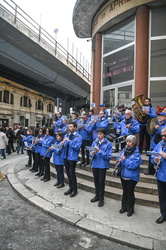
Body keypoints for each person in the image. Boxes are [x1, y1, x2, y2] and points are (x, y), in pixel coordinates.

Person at [116, 135, 142, 217]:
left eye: (130, 142)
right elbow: (119, 158)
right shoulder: (124, 150)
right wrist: (118, 161)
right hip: (123, 175)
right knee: (125, 192)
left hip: (132, 177)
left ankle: (130, 209)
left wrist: (125, 160)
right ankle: (124, 207)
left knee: (130, 193)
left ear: (134, 143)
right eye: (127, 142)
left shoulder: (137, 153)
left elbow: (134, 165)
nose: (128, 143)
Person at [90, 128, 112, 207]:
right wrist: (92, 153)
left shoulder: (108, 143)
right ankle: (97, 195)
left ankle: (101, 198)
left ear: (104, 134)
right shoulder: (95, 142)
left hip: (102, 165)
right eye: (98, 134)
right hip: (95, 164)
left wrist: (100, 151)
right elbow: (90, 153)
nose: (98, 136)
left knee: (101, 182)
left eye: (100, 134)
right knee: (96, 181)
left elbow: (108, 156)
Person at [61, 122, 82, 197]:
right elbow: (65, 146)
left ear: (75, 128)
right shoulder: (67, 135)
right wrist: (63, 143)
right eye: (69, 127)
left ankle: (75, 190)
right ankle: (70, 187)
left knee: (72, 174)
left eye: (70, 127)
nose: (69, 128)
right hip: (66, 156)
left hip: (72, 157)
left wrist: (69, 142)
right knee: (68, 173)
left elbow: (77, 147)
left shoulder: (79, 137)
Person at [151, 127, 166, 224]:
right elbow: (153, 154)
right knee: (162, 196)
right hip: (160, 174)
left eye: (165, 136)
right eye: (162, 135)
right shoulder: (160, 144)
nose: (163, 138)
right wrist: (155, 159)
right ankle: (163, 214)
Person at [145, 108, 166, 175]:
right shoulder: (156, 123)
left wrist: (158, 128)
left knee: (161, 157)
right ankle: (150, 170)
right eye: (159, 116)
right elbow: (151, 133)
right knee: (151, 156)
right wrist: (151, 129)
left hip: (162, 143)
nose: (159, 117)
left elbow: (163, 131)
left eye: (161, 116)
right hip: (154, 143)